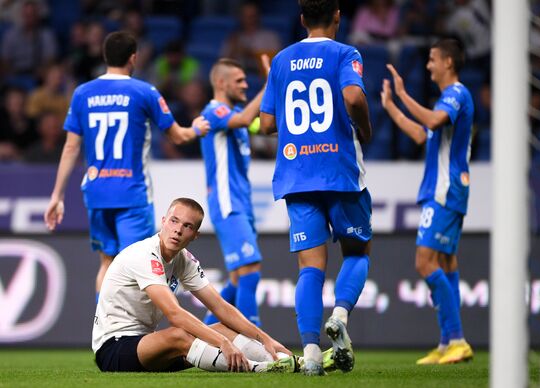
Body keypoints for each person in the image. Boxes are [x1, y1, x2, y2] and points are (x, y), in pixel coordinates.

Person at [44, 31, 210, 300]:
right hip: (132, 193)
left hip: (97, 192)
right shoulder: (144, 91)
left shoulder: (82, 93)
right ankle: (131, 337)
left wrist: (57, 195)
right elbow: (178, 136)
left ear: (105, 56)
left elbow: (71, 147)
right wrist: (197, 129)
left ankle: (103, 334)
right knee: (139, 264)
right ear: (133, 58)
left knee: (107, 264)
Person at [260, 0, 374, 376]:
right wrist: (366, 128)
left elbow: (264, 124)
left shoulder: (281, 60)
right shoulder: (345, 52)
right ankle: (339, 316)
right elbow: (354, 97)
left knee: (310, 267)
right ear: (338, 16)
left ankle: (310, 354)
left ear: (302, 19)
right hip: (339, 171)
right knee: (357, 252)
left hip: (297, 174)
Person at [92, 197, 297, 373]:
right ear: (163, 222)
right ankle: (258, 368)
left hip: (147, 346)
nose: (178, 230)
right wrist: (222, 343)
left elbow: (220, 307)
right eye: (174, 221)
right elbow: (174, 314)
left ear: (195, 235)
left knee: (222, 329)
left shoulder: (184, 259)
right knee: (179, 334)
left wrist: (265, 339)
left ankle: (289, 361)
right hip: (113, 349)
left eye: (187, 226)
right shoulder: (144, 254)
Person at [380, 38, 474, 364]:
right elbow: (423, 135)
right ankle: (449, 342)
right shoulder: (447, 101)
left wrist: (404, 95)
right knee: (446, 264)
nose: (428, 65)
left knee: (425, 262)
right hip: (446, 190)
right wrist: (392, 106)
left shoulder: (456, 95)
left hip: (444, 192)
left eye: (433, 59)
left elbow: (432, 122)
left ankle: (458, 338)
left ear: (448, 62)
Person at [199, 57, 269, 327]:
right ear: (220, 82)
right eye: (239, 80)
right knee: (250, 269)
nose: (245, 84)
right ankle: (257, 339)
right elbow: (244, 119)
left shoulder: (235, 116)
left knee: (239, 277)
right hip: (227, 203)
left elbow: (262, 125)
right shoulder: (214, 113)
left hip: (242, 202)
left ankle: (200, 334)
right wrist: (268, 84)